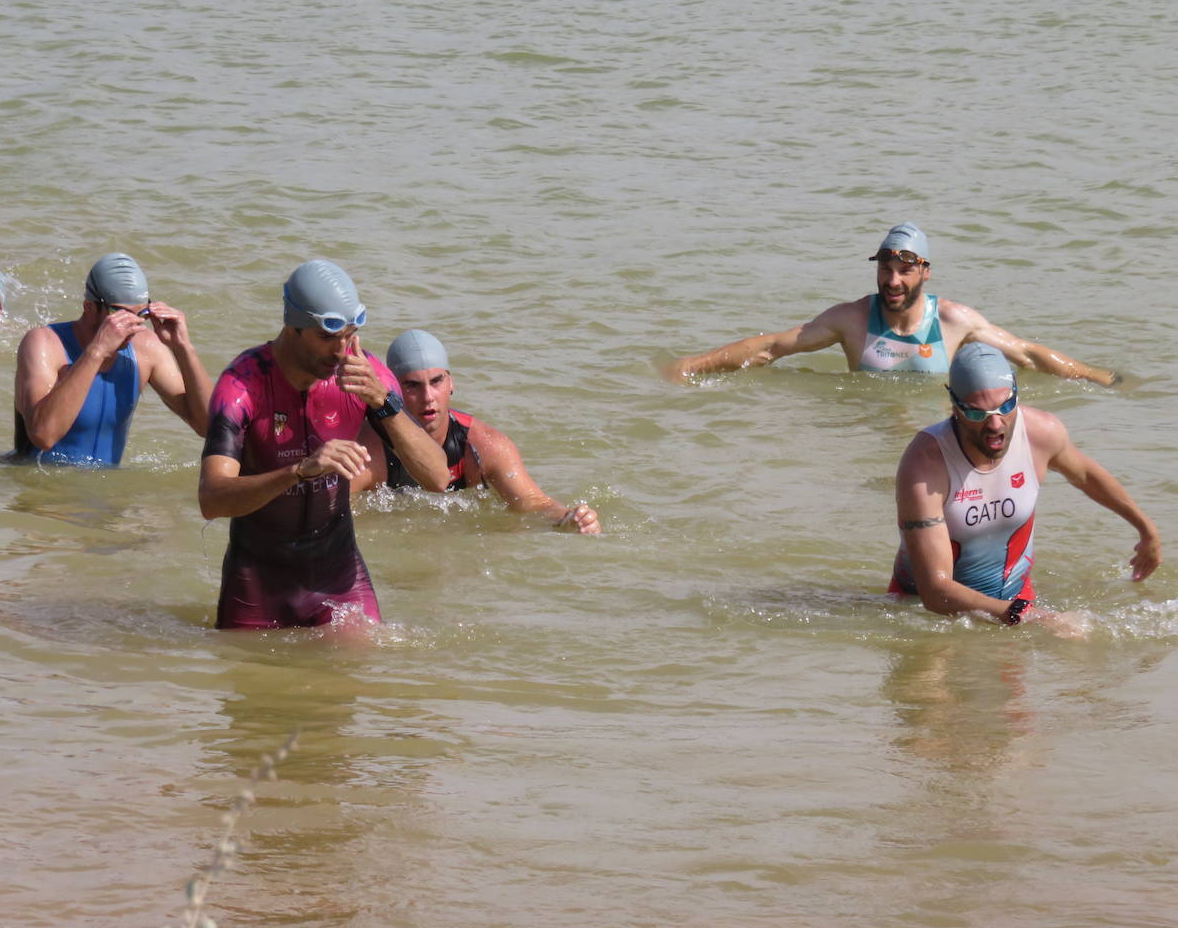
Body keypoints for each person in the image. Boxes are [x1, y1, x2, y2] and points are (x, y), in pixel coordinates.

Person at [197, 260, 450, 629]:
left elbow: (438, 477)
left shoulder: (366, 375)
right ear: (292, 327)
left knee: (352, 672)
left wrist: (386, 403)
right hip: (256, 581)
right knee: (253, 681)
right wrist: (299, 471)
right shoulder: (243, 385)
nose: (340, 351)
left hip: (338, 574)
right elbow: (212, 499)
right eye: (327, 337)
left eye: (349, 335)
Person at [890, 342, 1160, 636]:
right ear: (955, 406)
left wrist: (1146, 530)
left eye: (1005, 406)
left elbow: (1086, 476)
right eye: (979, 413)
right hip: (924, 617)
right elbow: (935, 592)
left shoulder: (1040, 433)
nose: (995, 424)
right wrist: (1034, 618)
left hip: (1016, 604)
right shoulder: (925, 464)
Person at [667, 223, 1117, 385]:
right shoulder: (852, 319)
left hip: (934, 443)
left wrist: (1101, 378)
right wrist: (691, 366)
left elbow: (1030, 355)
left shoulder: (955, 321)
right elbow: (771, 347)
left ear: (925, 272)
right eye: (885, 268)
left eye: (904, 270)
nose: (893, 280)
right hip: (869, 433)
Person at [351, 329, 601, 534]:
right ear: (393, 389)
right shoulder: (371, 451)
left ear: (451, 383)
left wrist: (568, 519)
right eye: (412, 385)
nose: (428, 397)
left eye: (436, 381)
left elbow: (533, 504)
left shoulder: (482, 446)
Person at [13, 253, 211, 465]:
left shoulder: (146, 349)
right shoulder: (44, 343)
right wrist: (97, 351)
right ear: (89, 307)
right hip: (42, 490)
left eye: (141, 314)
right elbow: (44, 435)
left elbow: (208, 427)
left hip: (103, 495)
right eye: (120, 314)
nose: (133, 326)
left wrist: (183, 348)